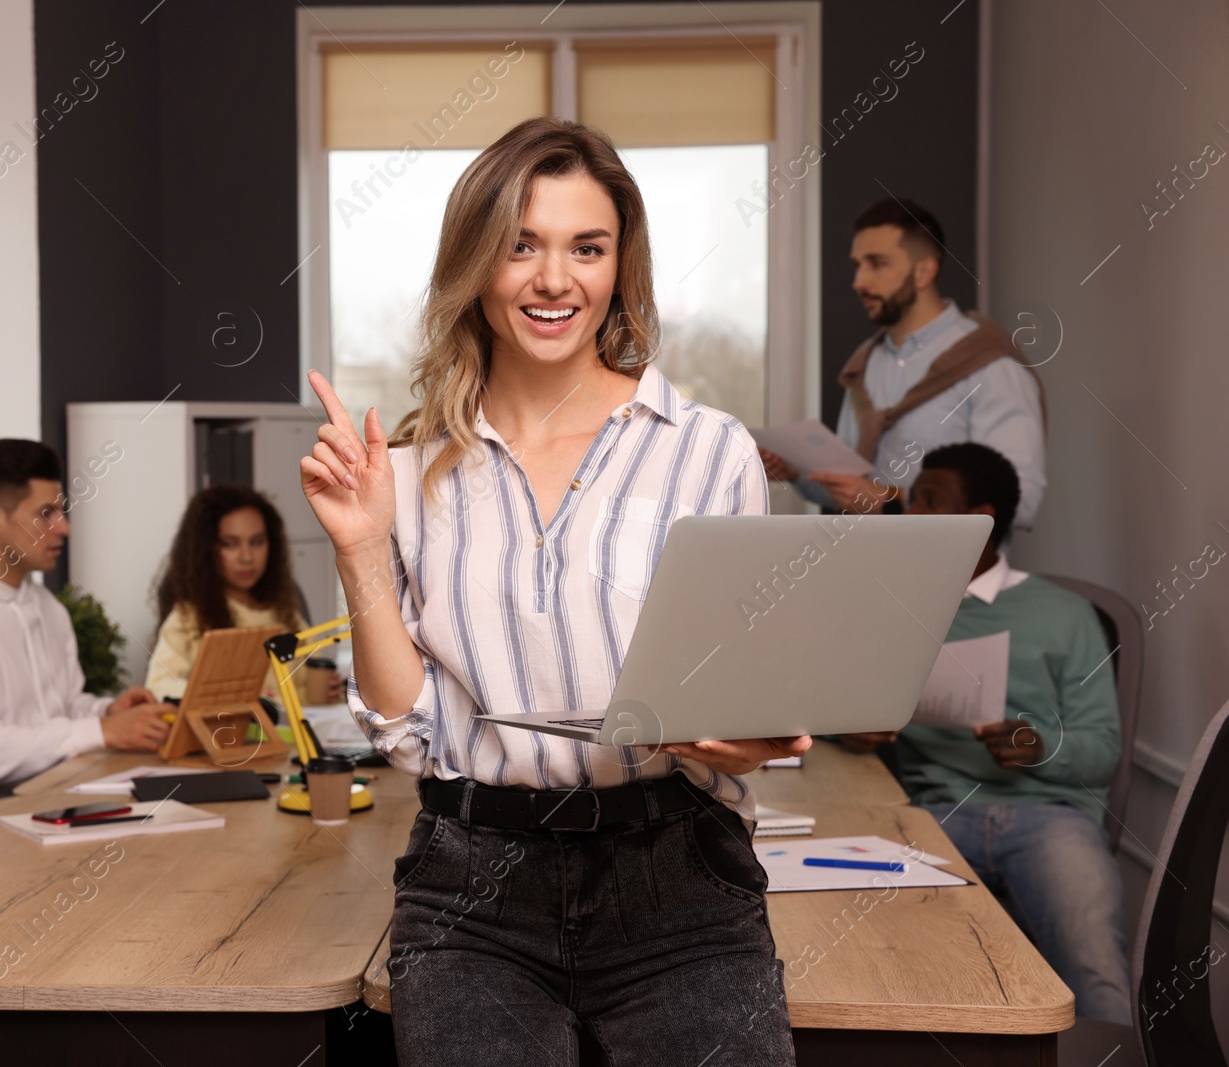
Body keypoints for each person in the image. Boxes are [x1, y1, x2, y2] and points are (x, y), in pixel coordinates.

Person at [302, 117, 810, 1065]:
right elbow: (408, 730)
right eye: (520, 245)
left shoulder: (710, 452)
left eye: (588, 247)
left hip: (681, 880)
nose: (553, 279)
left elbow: (740, 700)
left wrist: (744, 734)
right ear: (475, 263)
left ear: (621, 265)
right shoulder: (410, 473)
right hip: (473, 891)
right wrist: (364, 547)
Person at [840, 443, 1129, 1023]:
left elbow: (1101, 751)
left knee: (1093, 963)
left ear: (981, 519)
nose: (911, 513)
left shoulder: (1066, 615)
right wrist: (854, 730)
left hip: (1051, 818)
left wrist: (1039, 746)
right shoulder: (895, 606)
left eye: (930, 501)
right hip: (936, 814)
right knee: (873, 950)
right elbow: (831, 707)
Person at [0, 439, 170, 822]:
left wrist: (107, 712)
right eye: (46, 514)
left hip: (63, 795)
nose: (64, 527)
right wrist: (101, 731)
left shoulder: (44, 605)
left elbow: (62, 710)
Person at [761, 197, 1047, 527]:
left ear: (924, 270)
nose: (859, 282)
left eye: (877, 264)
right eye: (857, 265)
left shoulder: (990, 365)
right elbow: (856, 492)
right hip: (866, 568)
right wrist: (798, 474)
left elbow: (1021, 501)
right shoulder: (865, 366)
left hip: (954, 575)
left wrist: (893, 500)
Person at [145, 484, 341, 702]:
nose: (247, 557)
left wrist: (330, 690)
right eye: (230, 544)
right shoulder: (188, 618)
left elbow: (308, 687)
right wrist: (227, 695)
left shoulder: (285, 614)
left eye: (257, 542)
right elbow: (159, 686)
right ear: (206, 549)